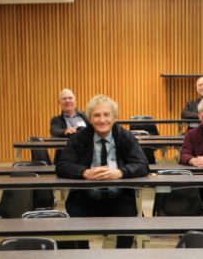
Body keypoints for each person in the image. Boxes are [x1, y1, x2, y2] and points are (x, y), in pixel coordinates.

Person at [55, 94, 149, 249]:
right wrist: (85, 172)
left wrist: (121, 172)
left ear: (114, 118)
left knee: (128, 219)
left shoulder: (125, 137)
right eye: (96, 115)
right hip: (85, 197)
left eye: (106, 115)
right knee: (75, 222)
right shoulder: (78, 138)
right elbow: (62, 166)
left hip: (118, 197)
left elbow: (143, 165)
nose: (102, 120)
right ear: (90, 119)